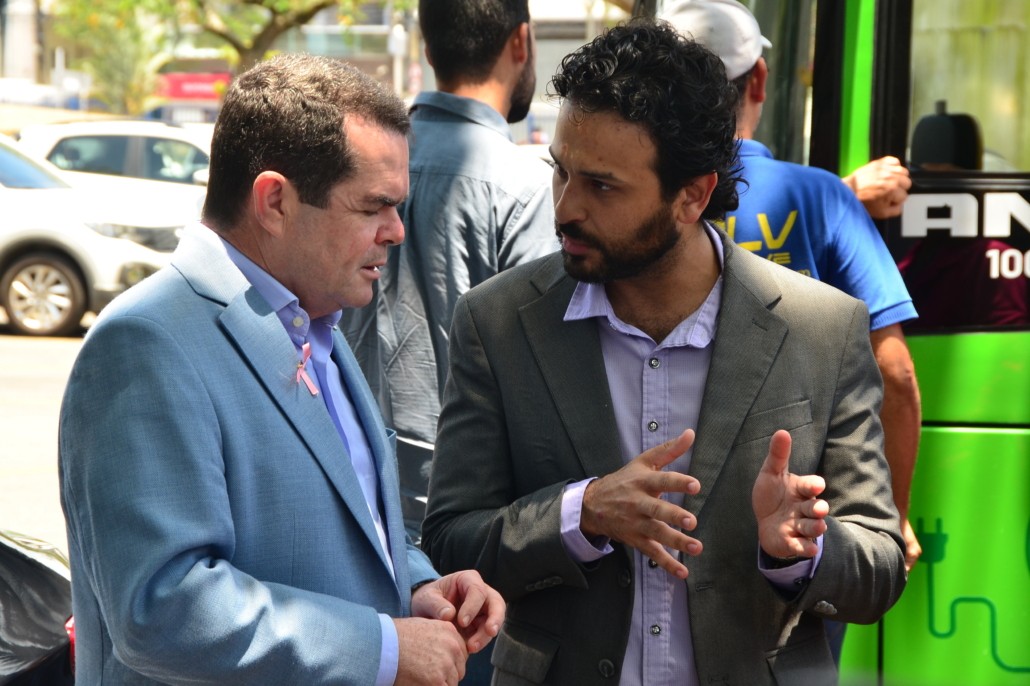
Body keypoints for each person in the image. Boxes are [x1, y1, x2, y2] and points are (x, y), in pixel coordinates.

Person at [422, 21, 906, 686]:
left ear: (693, 196)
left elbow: (880, 568)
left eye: (602, 186)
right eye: (560, 171)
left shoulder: (823, 329)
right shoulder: (498, 321)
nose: (564, 208)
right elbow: (450, 539)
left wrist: (799, 551)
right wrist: (581, 513)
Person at [58, 55, 504, 686]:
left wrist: (417, 586)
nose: (396, 231)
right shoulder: (146, 343)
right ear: (274, 202)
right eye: (374, 207)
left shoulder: (315, 322)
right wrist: (381, 648)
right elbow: (161, 606)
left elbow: (344, 526)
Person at [661, 0, 923, 577]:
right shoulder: (823, 197)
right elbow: (896, 373)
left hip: (662, 522)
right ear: (758, 79)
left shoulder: (646, 201)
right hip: (798, 525)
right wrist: (894, 517)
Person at [341, 0, 556, 525]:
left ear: (428, 48)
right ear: (521, 42)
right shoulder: (526, 189)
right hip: (465, 521)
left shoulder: (352, 166)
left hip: (352, 500)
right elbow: (542, 390)